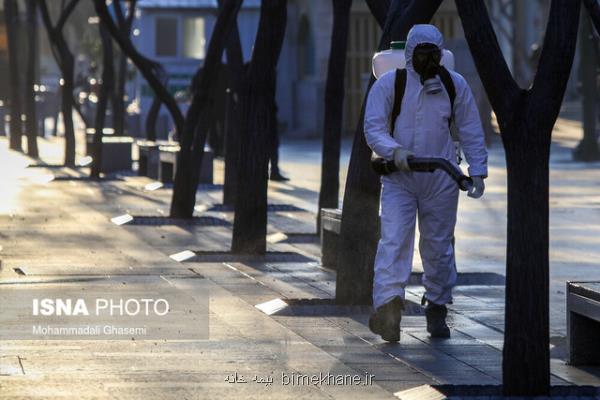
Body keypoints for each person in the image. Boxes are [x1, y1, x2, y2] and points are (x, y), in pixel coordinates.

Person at [364, 24, 488, 342]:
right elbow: (373, 127)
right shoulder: (391, 85)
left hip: (441, 178)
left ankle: (437, 306)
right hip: (400, 178)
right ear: (409, 55)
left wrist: (478, 170)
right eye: (422, 55)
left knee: (438, 247)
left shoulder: (453, 85)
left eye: (433, 55)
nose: (429, 62)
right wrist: (395, 152)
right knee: (393, 242)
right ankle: (388, 310)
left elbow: (471, 128)